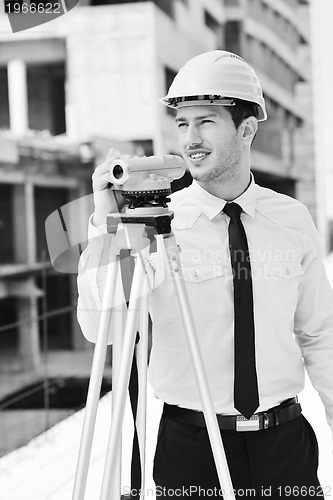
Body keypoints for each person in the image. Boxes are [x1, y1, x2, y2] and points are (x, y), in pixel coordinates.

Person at [77, 51, 333, 499]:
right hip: (190, 448)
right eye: (182, 123)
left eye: (206, 122)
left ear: (247, 128)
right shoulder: (155, 226)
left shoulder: (292, 219)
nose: (190, 138)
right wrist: (107, 226)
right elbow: (103, 327)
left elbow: (320, 333)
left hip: (285, 444)